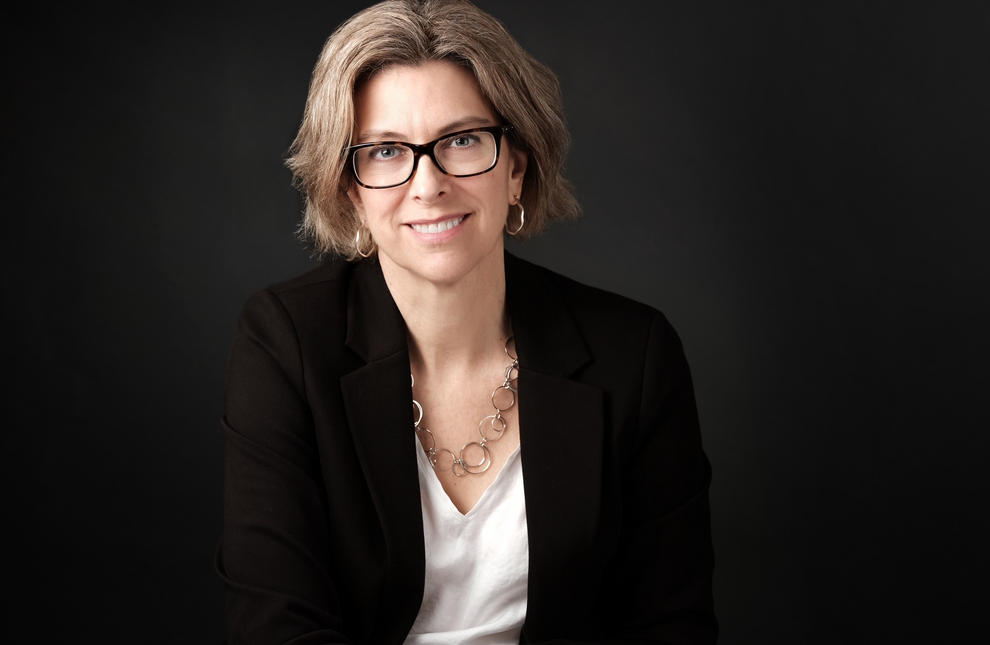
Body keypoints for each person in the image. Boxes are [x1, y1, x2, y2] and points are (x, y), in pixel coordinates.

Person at [217, 1, 716, 642]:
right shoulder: (284, 343)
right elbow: (276, 626)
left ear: (517, 166)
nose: (427, 184)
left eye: (461, 141)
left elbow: (670, 625)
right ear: (350, 188)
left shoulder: (636, 354)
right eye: (386, 150)